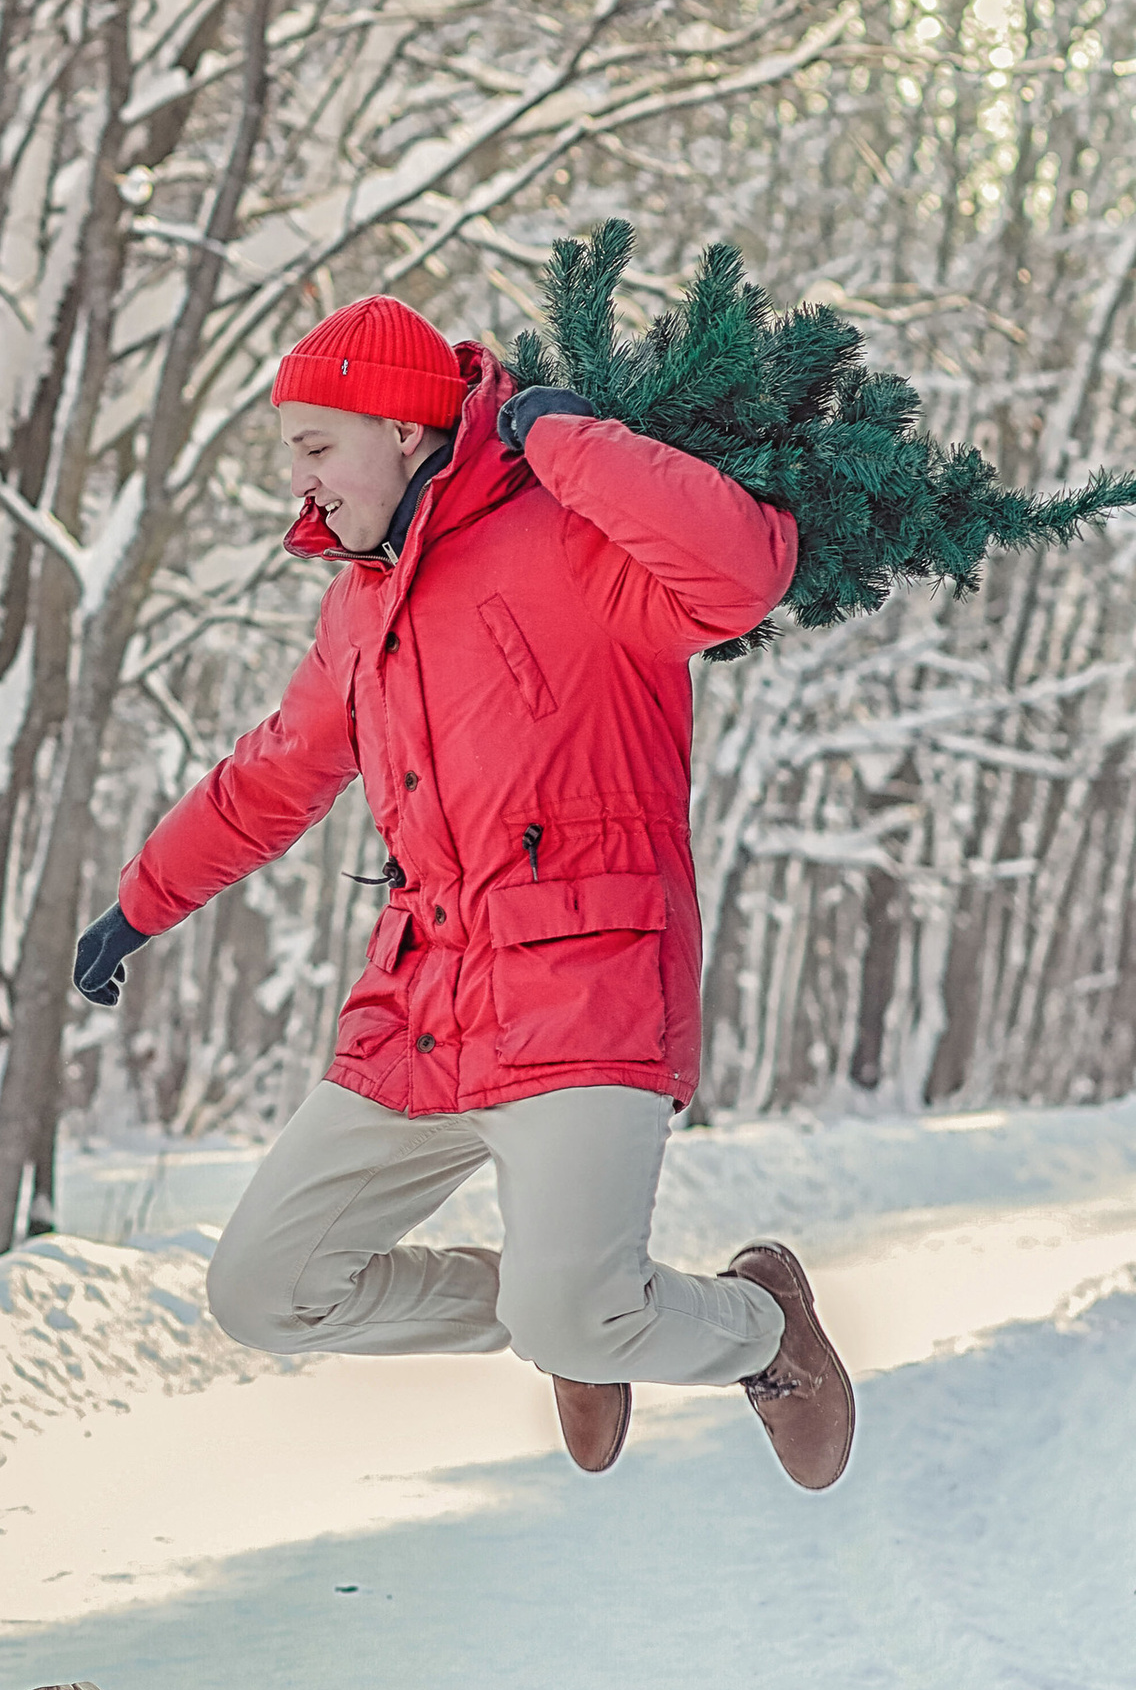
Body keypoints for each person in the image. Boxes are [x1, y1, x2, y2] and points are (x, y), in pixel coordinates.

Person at [72, 293, 855, 1489]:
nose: (300, 479)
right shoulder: (362, 605)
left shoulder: (574, 534)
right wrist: (140, 903)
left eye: (314, 446)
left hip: (586, 989)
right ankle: (574, 1310)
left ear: (398, 428)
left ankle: (760, 1329)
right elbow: (274, 775)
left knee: (573, 1311)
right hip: (424, 1009)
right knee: (263, 1292)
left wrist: (571, 439)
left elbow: (742, 571)